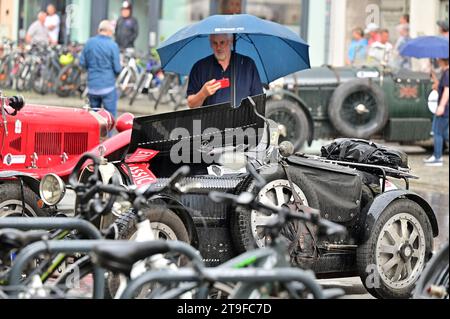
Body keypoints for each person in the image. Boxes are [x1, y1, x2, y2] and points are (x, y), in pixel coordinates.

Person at [186, 33, 263, 109]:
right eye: (215, 43)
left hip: (242, 119)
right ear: (210, 44)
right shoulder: (200, 67)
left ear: (230, 41)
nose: (218, 47)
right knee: (196, 121)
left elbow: (258, 99)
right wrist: (203, 93)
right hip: (211, 120)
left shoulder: (247, 64)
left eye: (222, 42)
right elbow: (191, 104)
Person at [80, 20, 122, 119]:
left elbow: (82, 63)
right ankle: (108, 135)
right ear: (109, 32)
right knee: (109, 118)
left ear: (99, 30)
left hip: (92, 87)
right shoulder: (113, 45)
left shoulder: (89, 43)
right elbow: (117, 69)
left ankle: (96, 134)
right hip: (108, 87)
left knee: (95, 117)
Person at [424, 58, 449, 167]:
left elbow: (447, 91)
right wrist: (432, 74)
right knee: (443, 132)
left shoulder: (447, 73)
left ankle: (438, 157)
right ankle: (436, 156)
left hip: (444, 108)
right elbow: (440, 86)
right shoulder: (445, 73)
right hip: (444, 108)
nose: (437, 60)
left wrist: (442, 106)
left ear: (443, 61)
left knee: (438, 132)